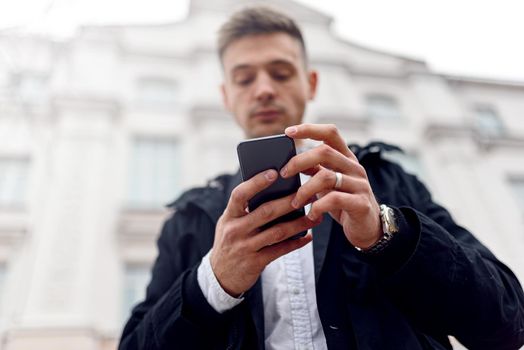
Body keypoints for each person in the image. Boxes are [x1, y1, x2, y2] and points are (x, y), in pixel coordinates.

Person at [119, 6, 524, 350]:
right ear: (226, 95)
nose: (263, 89)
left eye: (280, 72)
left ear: (310, 83)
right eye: (244, 78)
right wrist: (215, 280)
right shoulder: (191, 218)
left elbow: (507, 323)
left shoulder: (385, 179)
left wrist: (387, 232)